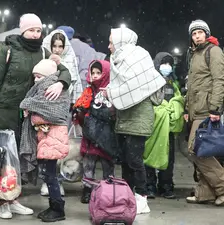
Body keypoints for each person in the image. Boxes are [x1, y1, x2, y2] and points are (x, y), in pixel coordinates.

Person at [0, 13, 71, 219]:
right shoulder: (7, 50)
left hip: (30, 114)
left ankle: (14, 200)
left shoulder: (43, 51)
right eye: (31, 30)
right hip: (6, 112)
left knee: (20, 159)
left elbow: (64, 70)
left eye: (39, 30)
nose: (35, 34)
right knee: (5, 158)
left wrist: (61, 83)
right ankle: (4, 203)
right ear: (22, 30)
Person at [105, 26, 165, 214]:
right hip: (123, 119)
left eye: (111, 42)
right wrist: (111, 93)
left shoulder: (138, 58)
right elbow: (122, 87)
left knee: (134, 160)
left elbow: (144, 87)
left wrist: (113, 92)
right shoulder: (118, 61)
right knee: (125, 160)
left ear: (121, 42)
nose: (109, 47)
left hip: (138, 119)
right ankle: (128, 196)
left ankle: (142, 197)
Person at [20, 59, 70, 222]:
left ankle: (58, 209)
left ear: (48, 76)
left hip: (53, 137)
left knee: (50, 175)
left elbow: (55, 114)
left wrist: (31, 109)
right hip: (48, 138)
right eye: (34, 77)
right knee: (48, 175)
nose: (35, 80)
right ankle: (54, 206)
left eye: (39, 76)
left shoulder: (54, 90)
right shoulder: (45, 89)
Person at [184, 19, 224, 205]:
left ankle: (222, 187)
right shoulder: (194, 54)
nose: (197, 36)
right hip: (196, 110)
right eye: (194, 33)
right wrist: (186, 109)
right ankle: (206, 193)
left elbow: (219, 80)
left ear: (206, 34)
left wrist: (215, 108)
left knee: (195, 150)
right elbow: (192, 85)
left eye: (200, 32)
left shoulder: (213, 51)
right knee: (204, 151)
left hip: (207, 110)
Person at [41, 29, 83, 196]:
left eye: (60, 46)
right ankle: (46, 181)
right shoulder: (44, 61)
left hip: (64, 112)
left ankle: (57, 182)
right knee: (45, 147)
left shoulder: (70, 61)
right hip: (45, 111)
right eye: (54, 46)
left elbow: (76, 87)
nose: (57, 49)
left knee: (59, 148)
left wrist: (75, 109)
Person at [73, 60, 115, 204]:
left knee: (107, 164)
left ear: (106, 74)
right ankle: (87, 190)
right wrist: (79, 113)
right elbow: (80, 105)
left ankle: (108, 191)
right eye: (93, 73)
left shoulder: (112, 91)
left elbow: (114, 112)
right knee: (88, 164)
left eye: (99, 73)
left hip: (106, 136)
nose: (96, 76)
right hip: (90, 135)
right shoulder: (88, 91)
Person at [145, 52, 184, 199]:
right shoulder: (150, 82)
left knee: (168, 156)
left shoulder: (173, 83)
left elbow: (178, 99)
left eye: (169, 64)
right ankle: (149, 185)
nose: (166, 67)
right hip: (152, 124)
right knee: (149, 155)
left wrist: (173, 110)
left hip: (168, 126)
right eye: (163, 63)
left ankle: (166, 186)